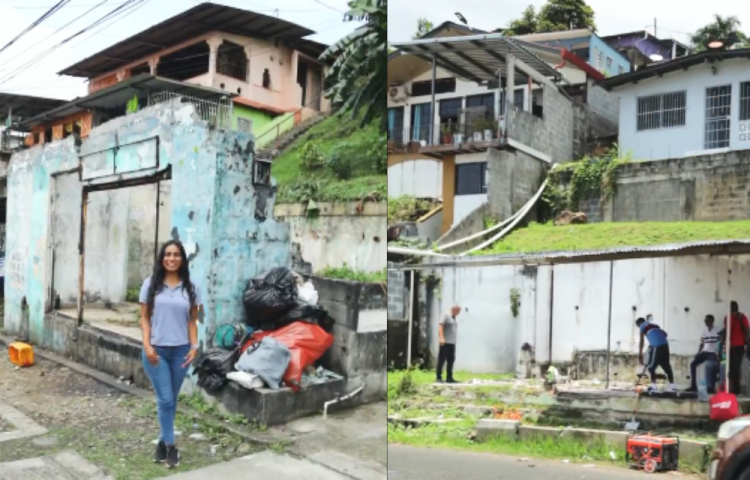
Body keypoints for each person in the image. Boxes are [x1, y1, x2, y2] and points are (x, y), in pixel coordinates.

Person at [140, 240, 202, 468]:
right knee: (165, 399)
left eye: (176, 255)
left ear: (183, 259)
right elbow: (144, 318)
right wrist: (147, 345)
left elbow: (193, 320)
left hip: (182, 352)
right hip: (156, 351)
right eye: (167, 254)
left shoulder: (192, 287)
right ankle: (171, 446)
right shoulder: (151, 284)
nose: (172, 258)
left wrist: (194, 347)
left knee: (170, 401)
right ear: (161, 258)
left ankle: (160, 441)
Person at [636, 315, 675, 393]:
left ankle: (653, 387)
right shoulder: (655, 325)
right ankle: (672, 387)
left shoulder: (642, 326)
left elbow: (641, 341)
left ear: (639, 324)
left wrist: (640, 354)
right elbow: (665, 334)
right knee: (666, 366)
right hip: (665, 345)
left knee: (651, 367)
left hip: (656, 346)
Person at [686, 315, 720, 393]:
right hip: (705, 352)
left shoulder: (717, 330)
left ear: (711, 321)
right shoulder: (704, 330)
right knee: (693, 364)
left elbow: (720, 342)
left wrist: (718, 353)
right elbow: (702, 343)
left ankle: (711, 387)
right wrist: (698, 353)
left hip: (713, 353)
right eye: (705, 320)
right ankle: (693, 386)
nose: (705, 322)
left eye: (707, 320)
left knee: (710, 366)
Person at [723, 301, 749, 395]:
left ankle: (736, 390)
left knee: (735, 368)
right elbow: (726, 331)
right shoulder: (727, 318)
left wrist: (748, 347)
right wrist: (722, 346)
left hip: (739, 346)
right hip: (730, 346)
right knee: (729, 368)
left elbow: (747, 331)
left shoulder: (742, 317)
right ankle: (731, 388)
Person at [436, 305, 461, 383]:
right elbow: (440, 326)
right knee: (442, 360)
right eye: (458, 311)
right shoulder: (446, 315)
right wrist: (441, 338)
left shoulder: (454, 318)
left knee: (451, 360)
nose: (459, 313)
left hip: (452, 343)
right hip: (445, 342)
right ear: (454, 309)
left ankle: (449, 377)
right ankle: (438, 377)